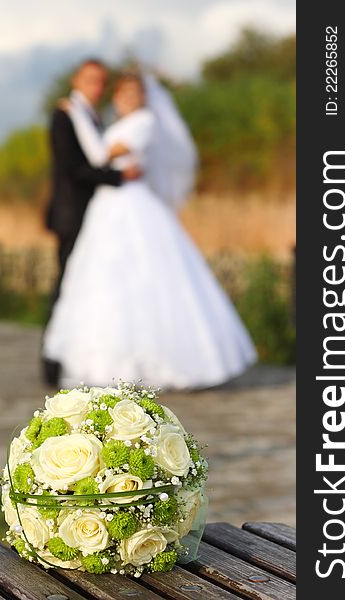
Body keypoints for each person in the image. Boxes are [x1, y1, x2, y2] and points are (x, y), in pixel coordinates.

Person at [42, 71, 257, 390]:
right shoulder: (113, 123)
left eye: (134, 94)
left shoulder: (144, 122)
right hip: (108, 207)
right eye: (123, 94)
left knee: (149, 279)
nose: (128, 100)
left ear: (143, 97)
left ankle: (159, 364)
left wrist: (75, 113)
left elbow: (101, 155)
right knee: (106, 282)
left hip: (131, 204)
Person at [43, 59, 141, 385]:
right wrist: (118, 176)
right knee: (66, 286)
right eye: (90, 80)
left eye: (101, 82)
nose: (96, 87)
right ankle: (52, 363)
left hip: (96, 215)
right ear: (76, 79)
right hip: (72, 213)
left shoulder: (92, 117)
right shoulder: (64, 115)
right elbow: (72, 168)